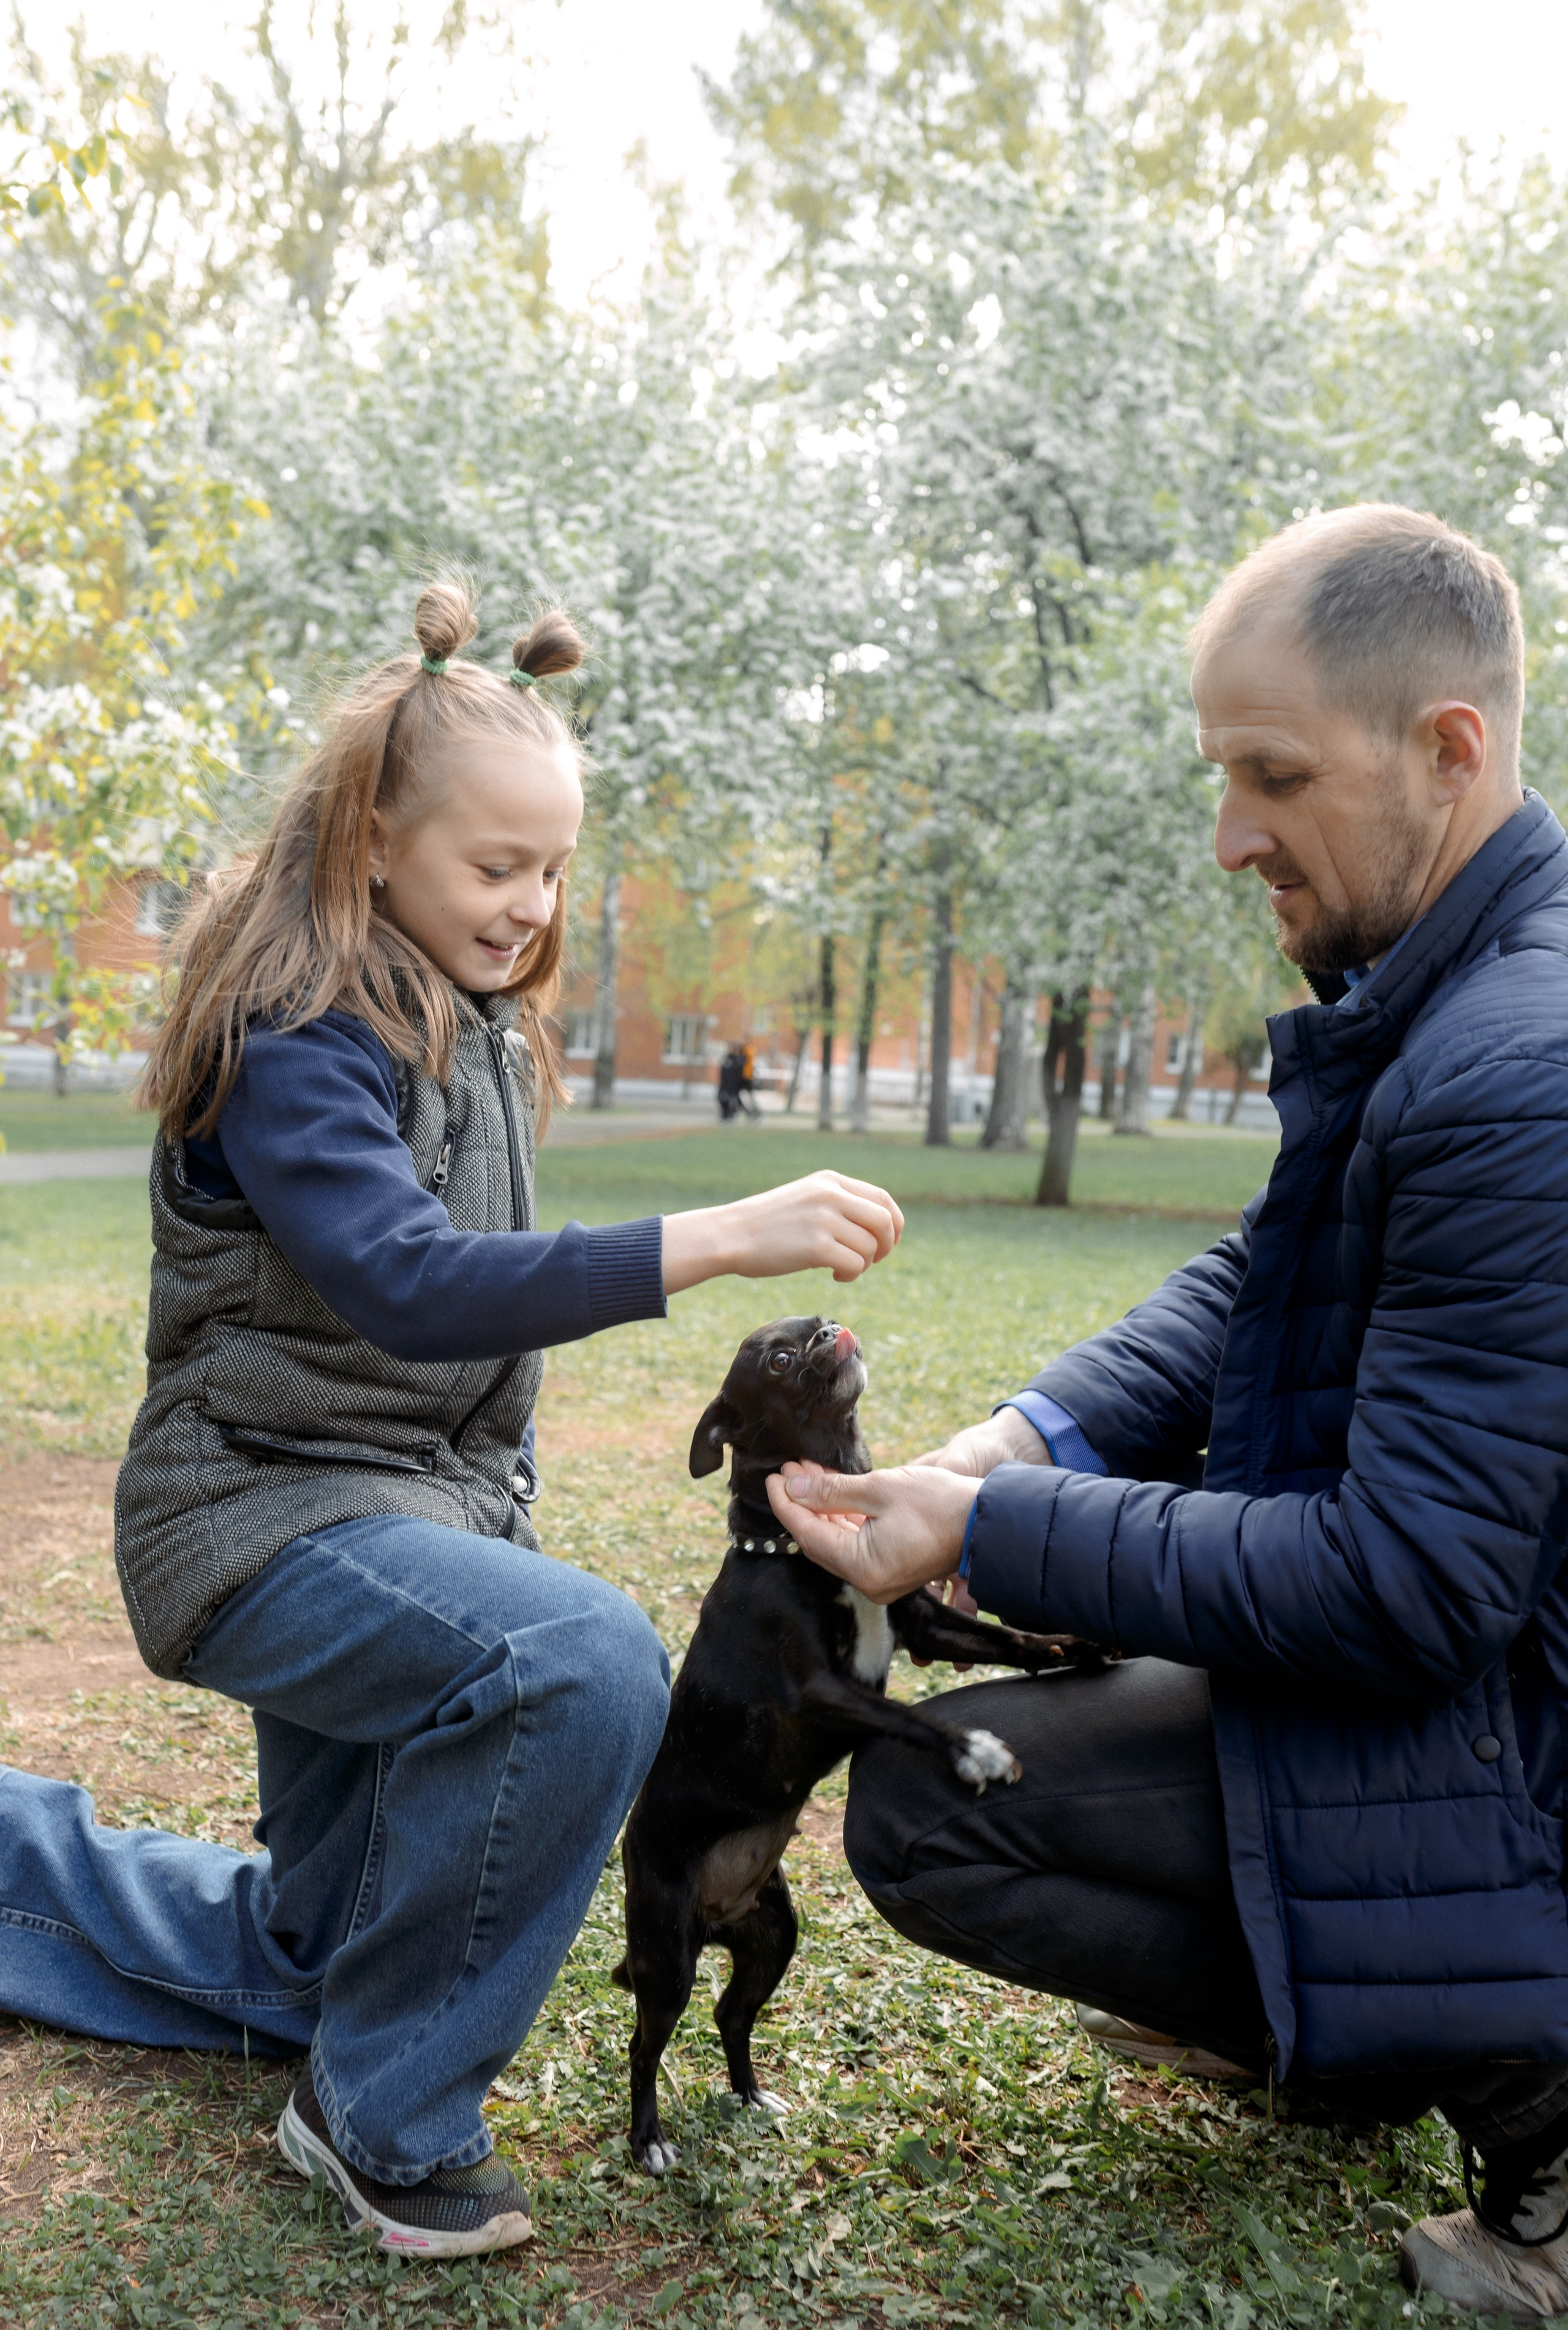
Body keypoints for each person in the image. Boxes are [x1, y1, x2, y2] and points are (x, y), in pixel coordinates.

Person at [0, 580, 903, 2259]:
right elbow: (407, 1284)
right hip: (257, 1523)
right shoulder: (294, 1036)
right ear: (373, 842)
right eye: (496, 867)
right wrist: (718, 1236)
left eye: (552, 870)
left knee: (311, 1959)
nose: (530, 905)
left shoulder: (466, 1022)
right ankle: (383, 2112)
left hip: (411, 1523)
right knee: (585, 1659)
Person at [769, 507, 1568, 2322]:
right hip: (1480, 1690)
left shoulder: (1516, 1066)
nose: (1232, 837)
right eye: (1225, 776)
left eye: (1276, 777)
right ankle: (1356, 2012)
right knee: (973, 1766)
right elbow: (1256, 1282)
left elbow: (1409, 1587)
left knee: (935, 1816)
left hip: (1517, 1741)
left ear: (1450, 749)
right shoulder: (1447, 995)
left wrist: (992, 1533)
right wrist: (1015, 1445)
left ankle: (1533, 2097)